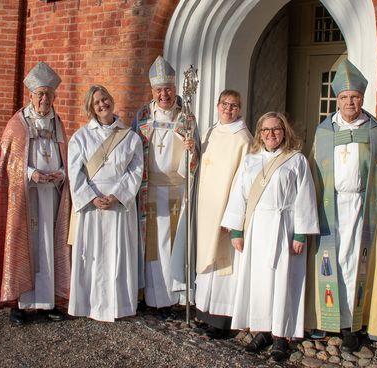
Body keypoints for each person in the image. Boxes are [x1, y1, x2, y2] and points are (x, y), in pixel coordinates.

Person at [305, 60, 377, 352]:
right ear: (336, 99)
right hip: (331, 208)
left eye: (355, 97)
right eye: (344, 97)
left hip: (364, 209)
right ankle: (327, 320)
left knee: (356, 265)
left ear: (362, 99)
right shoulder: (324, 131)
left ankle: (352, 324)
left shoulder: (375, 132)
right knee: (331, 263)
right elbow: (313, 174)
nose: (350, 102)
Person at [0, 62, 71, 326]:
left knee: (48, 247)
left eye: (48, 94)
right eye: (40, 94)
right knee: (22, 246)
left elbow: (66, 158)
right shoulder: (17, 124)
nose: (44, 99)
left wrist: (61, 174)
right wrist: (31, 174)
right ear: (30, 96)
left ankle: (46, 302)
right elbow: (10, 163)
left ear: (54, 97)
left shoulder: (59, 123)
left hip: (52, 195)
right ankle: (19, 303)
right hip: (25, 196)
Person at [221, 112, 319, 361]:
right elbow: (239, 195)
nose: (271, 134)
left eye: (276, 129)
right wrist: (236, 230)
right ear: (259, 133)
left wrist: (300, 234)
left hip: (285, 227)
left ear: (285, 132)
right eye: (265, 130)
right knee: (259, 283)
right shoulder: (251, 160)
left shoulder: (296, 161)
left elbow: (305, 197)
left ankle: (281, 336)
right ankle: (263, 330)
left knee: (284, 281)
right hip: (256, 229)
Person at [66, 85, 144, 322]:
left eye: (105, 99)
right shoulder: (81, 137)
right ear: (91, 108)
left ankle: (118, 305)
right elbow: (74, 172)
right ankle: (89, 304)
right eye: (97, 102)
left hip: (118, 205)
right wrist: (91, 196)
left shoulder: (130, 137)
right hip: (93, 205)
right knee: (91, 253)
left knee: (119, 253)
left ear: (112, 100)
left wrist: (118, 195)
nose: (102, 104)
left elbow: (136, 170)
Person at [132, 55, 198, 316]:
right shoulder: (143, 116)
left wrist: (192, 152)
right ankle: (154, 298)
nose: (164, 94)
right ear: (152, 91)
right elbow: (133, 151)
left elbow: (195, 157)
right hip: (149, 189)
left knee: (175, 243)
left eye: (168, 89)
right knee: (153, 246)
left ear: (174, 89)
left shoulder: (187, 117)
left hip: (177, 190)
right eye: (159, 90)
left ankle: (175, 298)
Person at [194, 90, 253, 339]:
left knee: (223, 264)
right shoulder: (209, 132)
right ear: (217, 106)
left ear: (239, 109)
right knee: (206, 260)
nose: (229, 109)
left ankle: (220, 320)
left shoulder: (243, 139)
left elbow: (244, 181)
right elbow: (200, 166)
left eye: (234, 106)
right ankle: (203, 311)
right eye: (225, 104)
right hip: (205, 207)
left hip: (225, 210)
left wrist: (232, 215)